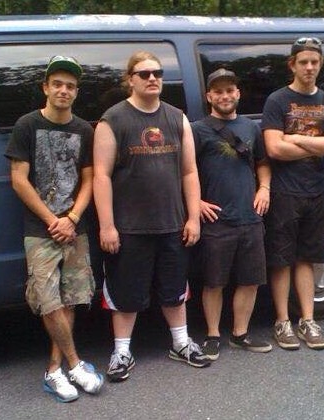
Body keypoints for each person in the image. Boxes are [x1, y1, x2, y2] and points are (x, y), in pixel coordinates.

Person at [93, 50, 210, 382]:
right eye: (144, 74)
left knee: (175, 289)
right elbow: (101, 175)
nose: (152, 78)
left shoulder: (177, 118)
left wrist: (193, 218)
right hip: (129, 226)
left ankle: (181, 343)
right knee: (126, 293)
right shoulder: (113, 120)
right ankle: (121, 352)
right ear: (130, 79)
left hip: (172, 223)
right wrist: (107, 225)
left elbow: (189, 172)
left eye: (157, 73)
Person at [5, 56, 104, 403]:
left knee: (70, 298)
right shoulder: (27, 125)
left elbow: (89, 179)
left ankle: (54, 370)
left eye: (70, 86)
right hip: (40, 228)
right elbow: (18, 180)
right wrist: (53, 220)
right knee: (48, 300)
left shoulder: (84, 130)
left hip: (74, 226)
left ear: (76, 92)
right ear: (45, 87)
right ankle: (75, 364)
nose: (64, 90)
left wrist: (72, 218)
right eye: (57, 84)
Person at [261, 37, 324, 350]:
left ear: (320, 64)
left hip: (316, 192)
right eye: (304, 62)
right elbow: (273, 148)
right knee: (281, 260)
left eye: (314, 62)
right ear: (292, 65)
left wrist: (294, 139)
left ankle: (308, 320)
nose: (309, 67)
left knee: (308, 258)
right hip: (284, 192)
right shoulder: (277, 100)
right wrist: (317, 145)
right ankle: (282, 321)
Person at [191, 69, 273, 360]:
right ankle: (213, 335)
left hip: (250, 217)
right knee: (214, 282)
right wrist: (196, 202)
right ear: (209, 96)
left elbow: (262, 163)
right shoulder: (198, 129)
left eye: (229, 90)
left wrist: (264, 188)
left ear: (237, 93)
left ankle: (240, 334)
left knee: (250, 280)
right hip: (216, 220)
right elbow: (185, 171)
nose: (224, 96)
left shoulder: (251, 127)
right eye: (218, 91)